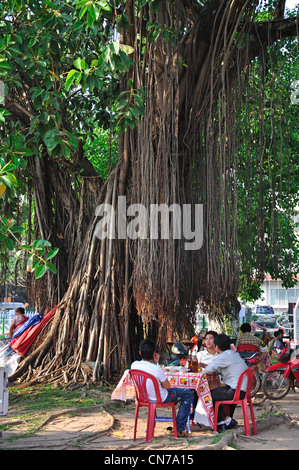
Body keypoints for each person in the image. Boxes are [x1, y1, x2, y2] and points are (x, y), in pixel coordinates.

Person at [131, 338, 193, 437]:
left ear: (139, 352)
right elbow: (167, 386)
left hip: (144, 399)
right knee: (187, 393)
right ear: (153, 354)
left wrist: (154, 363)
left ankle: (178, 427)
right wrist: (156, 363)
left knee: (178, 393)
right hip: (161, 398)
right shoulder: (156, 369)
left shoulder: (134, 365)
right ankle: (179, 429)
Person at [205, 333, 248, 433]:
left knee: (206, 395)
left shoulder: (223, 356)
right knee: (216, 392)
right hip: (242, 390)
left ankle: (226, 421)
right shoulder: (233, 354)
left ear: (217, 346)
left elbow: (208, 369)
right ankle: (225, 422)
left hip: (235, 391)